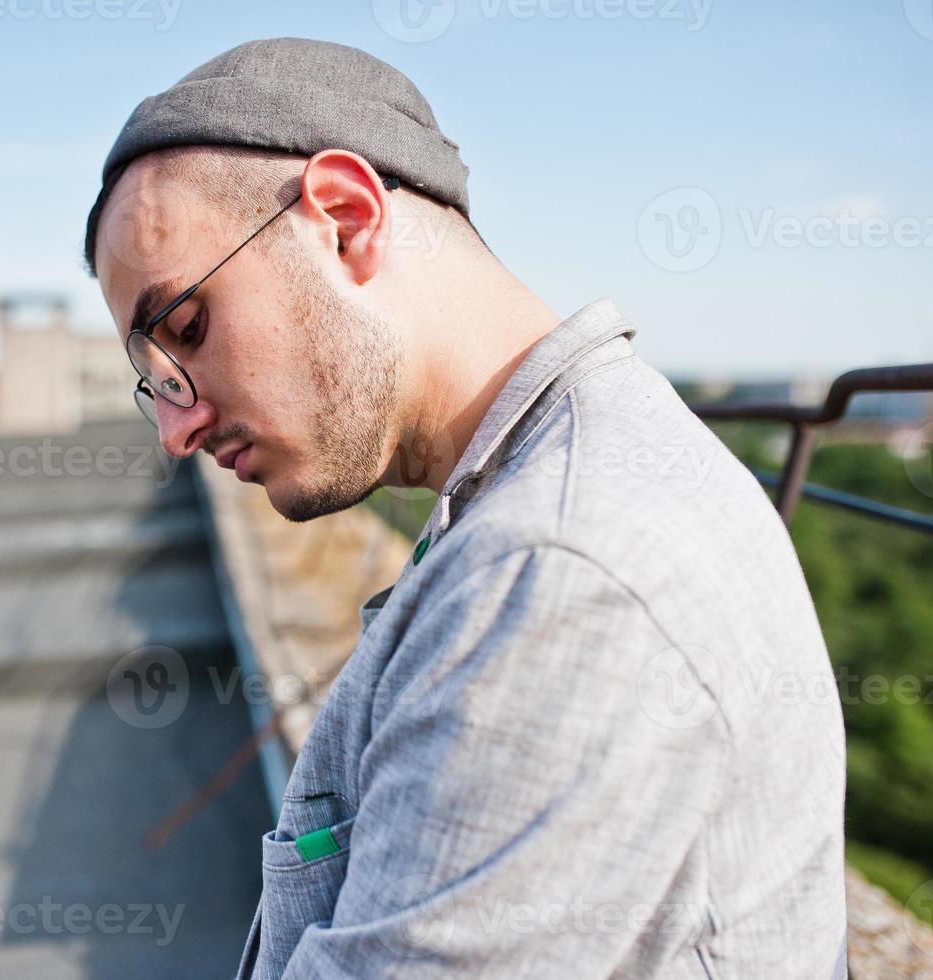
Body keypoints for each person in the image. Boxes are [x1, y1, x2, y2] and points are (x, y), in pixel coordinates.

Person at [84, 36, 848, 979]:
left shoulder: (557, 571)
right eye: (155, 381)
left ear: (344, 220)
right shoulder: (556, 485)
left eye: (187, 331)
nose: (178, 429)